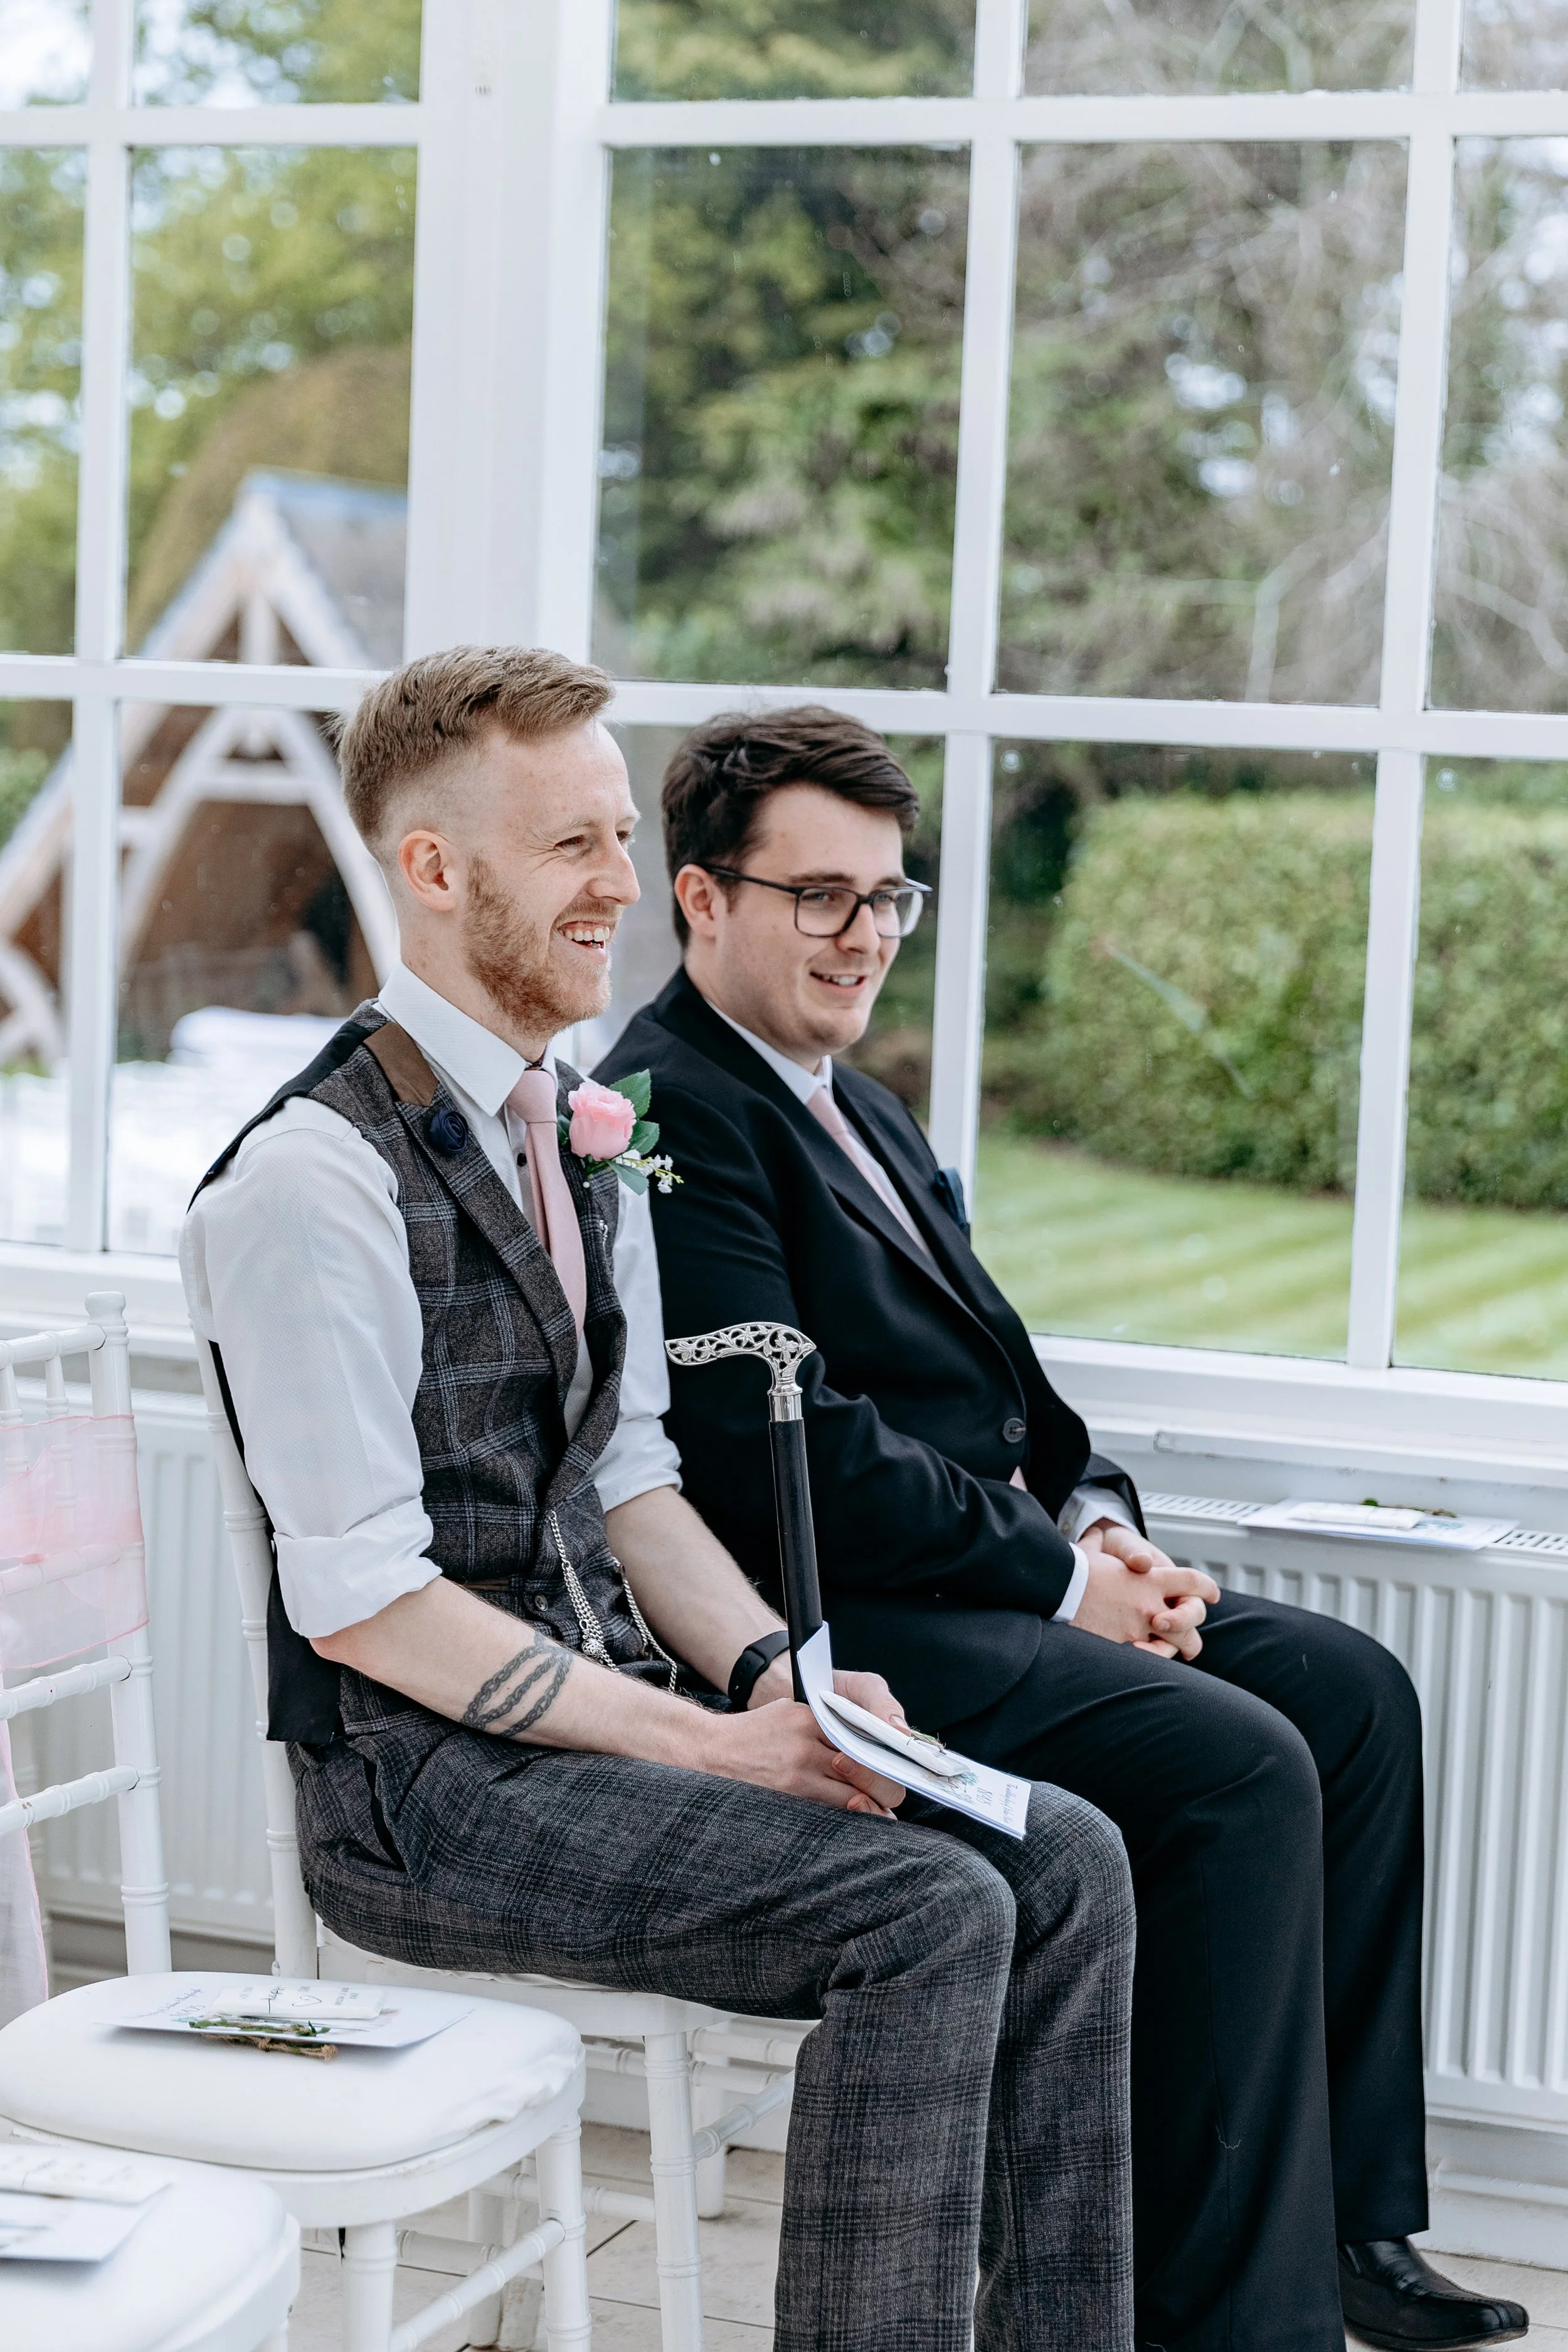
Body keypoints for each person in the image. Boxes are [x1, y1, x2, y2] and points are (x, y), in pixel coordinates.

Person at [179, 648, 1137, 2352]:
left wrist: (781, 1675)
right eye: (575, 847)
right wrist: (709, 1742)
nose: (627, 887)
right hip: (421, 1790)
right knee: (923, 1909)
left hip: (607, 1731)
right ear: (432, 869)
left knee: (1061, 1852)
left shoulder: (578, 1130)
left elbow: (632, 1482)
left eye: (623, 835)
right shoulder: (309, 1182)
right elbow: (363, 1603)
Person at [601, 704, 1531, 2352]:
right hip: (861, 1624)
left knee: (1349, 1691)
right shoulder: (668, 1112)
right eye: (819, 894)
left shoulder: (855, 1103)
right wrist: (1057, 1575)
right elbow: (781, 1447)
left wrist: (1108, 1535)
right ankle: (1221, 2313)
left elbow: (1008, 1388)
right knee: (1237, 1762)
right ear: (698, 896)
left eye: (888, 896)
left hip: (1011, 1583)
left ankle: (1348, 2227)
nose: (862, 934)